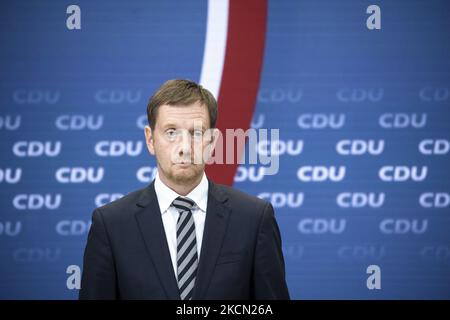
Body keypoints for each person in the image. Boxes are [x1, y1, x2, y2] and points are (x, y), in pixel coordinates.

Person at [79, 79, 290, 300]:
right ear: (150, 140)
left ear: (212, 142)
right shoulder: (111, 225)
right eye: (171, 132)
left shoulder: (254, 219)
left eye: (196, 133)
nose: (184, 148)